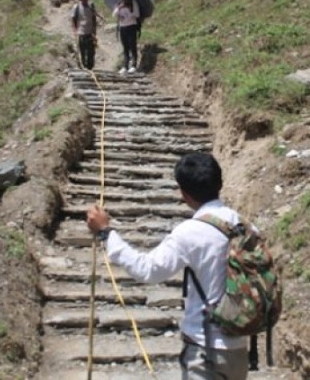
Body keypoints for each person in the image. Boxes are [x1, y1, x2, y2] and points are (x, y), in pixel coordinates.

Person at [86, 152, 249, 380]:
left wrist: (107, 233)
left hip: (204, 350)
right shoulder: (244, 225)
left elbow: (149, 270)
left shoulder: (191, 232)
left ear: (183, 192)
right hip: (240, 349)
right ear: (219, 183)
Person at [112, 0, 140, 74]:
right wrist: (120, 7)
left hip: (131, 26)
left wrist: (130, 8)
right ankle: (125, 65)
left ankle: (134, 65)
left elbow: (137, 14)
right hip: (122, 27)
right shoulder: (119, 3)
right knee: (125, 47)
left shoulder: (133, 2)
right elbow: (114, 14)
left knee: (132, 46)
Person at [71, 0, 97, 70]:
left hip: (90, 33)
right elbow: (73, 19)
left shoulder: (91, 6)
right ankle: (85, 67)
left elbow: (94, 18)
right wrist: (75, 31)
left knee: (91, 52)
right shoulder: (77, 7)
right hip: (81, 33)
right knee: (83, 52)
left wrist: (94, 31)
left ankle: (90, 67)